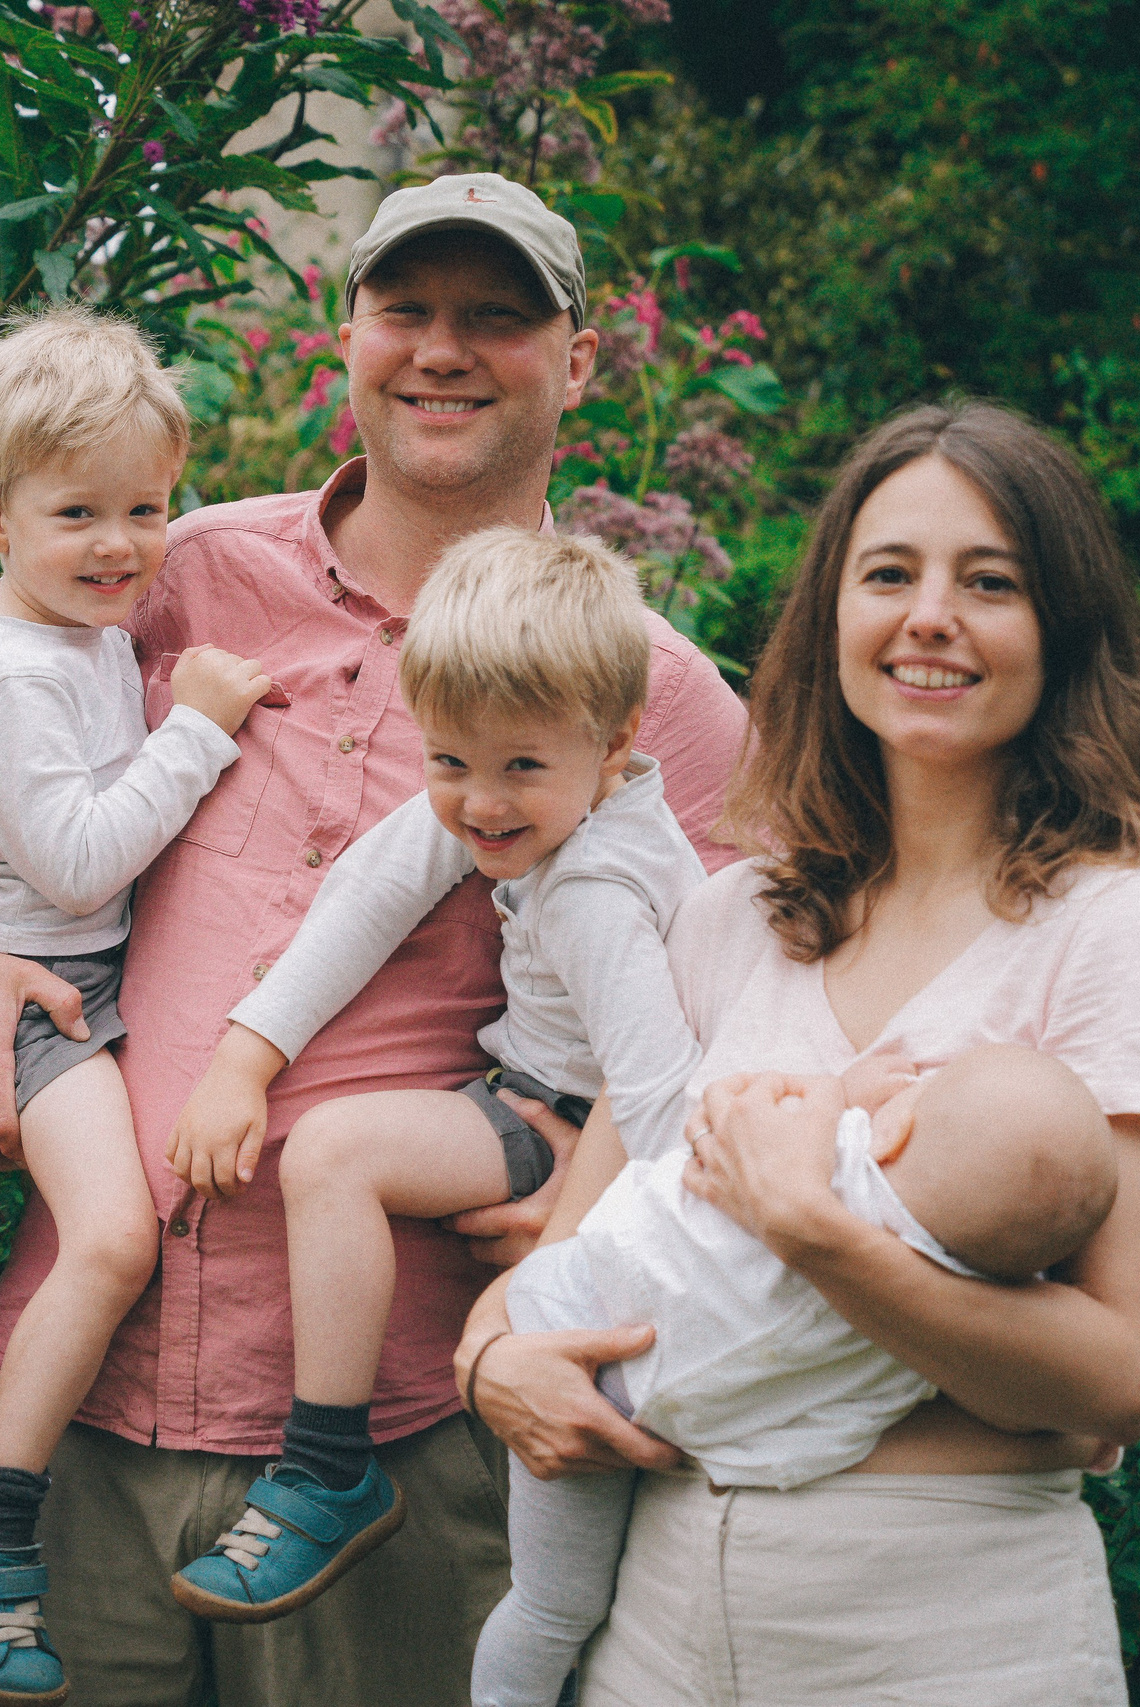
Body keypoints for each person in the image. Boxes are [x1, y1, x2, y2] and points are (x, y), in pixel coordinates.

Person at [0, 171, 752, 1705]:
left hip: (401, 1436)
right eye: (407, 310)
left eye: (497, 318)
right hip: (77, 1392)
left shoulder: (660, 698)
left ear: (579, 360)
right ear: (345, 334)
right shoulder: (172, 570)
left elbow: (755, 1025)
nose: (443, 349)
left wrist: (580, 1197)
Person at [459, 399, 1140, 1706]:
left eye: (988, 581)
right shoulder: (733, 917)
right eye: (890, 574)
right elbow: (565, 1260)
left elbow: (1121, 1378)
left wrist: (816, 1227)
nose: (929, 614)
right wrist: (492, 1367)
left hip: (939, 1637)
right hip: (648, 1629)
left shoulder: (1119, 926)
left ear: (1062, 627)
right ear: (834, 614)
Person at [160, 528, 708, 1623]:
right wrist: (242, 1057)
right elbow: (369, 890)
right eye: (448, 761)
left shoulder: (597, 890)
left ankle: (326, 1468)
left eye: (517, 769)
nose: (478, 804)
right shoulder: (533, 793)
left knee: (330, 1154)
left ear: (612, 746)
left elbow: (658, 1095)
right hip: (535, 1103)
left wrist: (551, 1266)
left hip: (567, 1134)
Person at [0, 309, 273, 1705]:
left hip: (77, 980)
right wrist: (203, 727)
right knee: (117, 1237)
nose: (122, 544)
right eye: (78, 513)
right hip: (40, 998)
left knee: (77, 1230)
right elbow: (73, 859)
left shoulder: (68, 623)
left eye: (148, 506)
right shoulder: (10, 674)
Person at [471, 1045, 1117, 1707]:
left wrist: (844, 1090)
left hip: (573, 1314)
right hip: (626, 1393)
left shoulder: (830, 1148)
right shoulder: (941, 1299)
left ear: (893, 1131)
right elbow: (1055, 1397)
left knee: (547, 1610)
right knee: (564, 1610)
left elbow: (752, 1101)